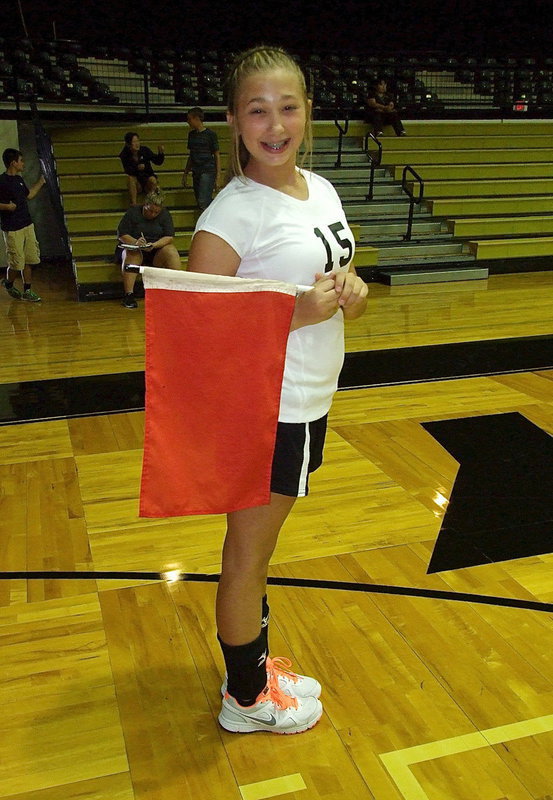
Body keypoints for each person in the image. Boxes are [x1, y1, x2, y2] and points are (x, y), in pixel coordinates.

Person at [187, 46, 368, 735]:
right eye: (257, 109)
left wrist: (349, 294)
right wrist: (297, 311)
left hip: (309, 398)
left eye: (287, 107)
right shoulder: (232, 214)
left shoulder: (318, 189)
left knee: (259, 553)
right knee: (247, 555)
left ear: (307, 112)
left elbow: (330, 277)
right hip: (263, 410)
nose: (274, 123)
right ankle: (244, 697)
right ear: (233, 120)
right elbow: (193, 328)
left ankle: (255, 670)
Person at [116, 190, 180, 308]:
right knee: (133, 254)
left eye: (156, 212)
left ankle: (177, 291)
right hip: (134, 247)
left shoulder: (165, 215)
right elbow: (122, 234)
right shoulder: (132, 213)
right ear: (145, 205)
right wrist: (136, 243)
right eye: (150, 210)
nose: (153, 214)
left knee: (171, 251)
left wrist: (155, 244)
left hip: (154, 249)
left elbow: (169, 237)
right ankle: (129, 294)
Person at [0, 148, 46, 302]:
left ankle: (27, 290)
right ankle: (9, 282)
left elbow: (29, 195)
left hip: (27, 224)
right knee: (16, 263)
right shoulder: (2, 181)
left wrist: (41, 182)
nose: (23, 164)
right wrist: (7, 207)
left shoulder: (19, 180)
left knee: (29, 259)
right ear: (13, 163)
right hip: (12, 228)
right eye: (21, 161)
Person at [181, 107, 221, 210]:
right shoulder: (191, 135)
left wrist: (218, 176)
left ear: (196, 118)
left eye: (189, 119)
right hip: (196, 170)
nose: (188, 122)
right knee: (201, 201)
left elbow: (216, 155)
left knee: (203, 200)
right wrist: (186, 172)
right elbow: (191, 155)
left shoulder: (211, 135)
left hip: (207, 169)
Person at [119, 132, 165, 206]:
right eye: (134, 142)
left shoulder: (145, 150)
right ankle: (134, 203)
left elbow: (157, 161)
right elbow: (127, 170)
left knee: (153, 180)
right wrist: (137, 168)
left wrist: (161, 153)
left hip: (147, 179)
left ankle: (151, 202)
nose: (137, 144)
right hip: (137, 182)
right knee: (130, 179)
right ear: (128, 144)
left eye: (138, 141)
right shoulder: (124, 155)